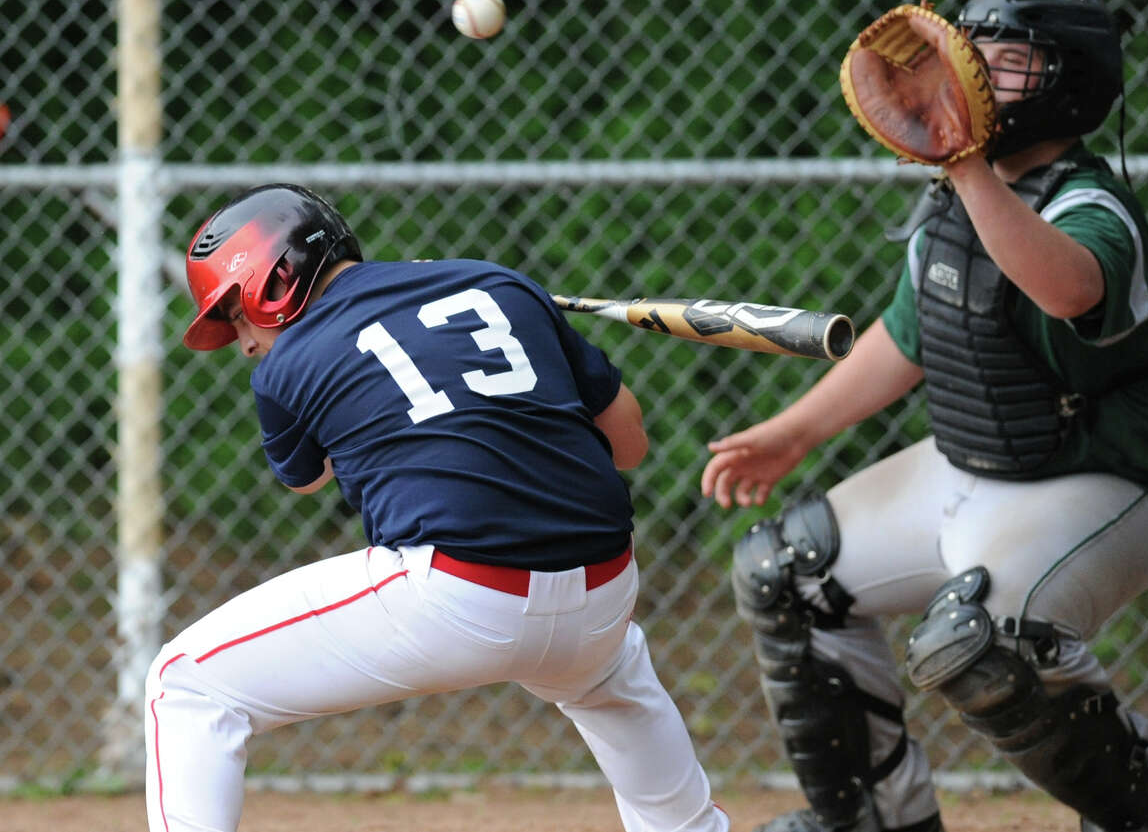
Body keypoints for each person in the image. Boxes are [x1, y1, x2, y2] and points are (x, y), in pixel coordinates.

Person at [701, 0, 1148, 832]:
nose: (972, 75)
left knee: (986, 642)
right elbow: (908, 336)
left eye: (1007, 63)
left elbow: (1067, 287)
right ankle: (879, 821)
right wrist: (791, 434)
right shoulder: (955, 197)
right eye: (972, 54)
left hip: (1111, 480)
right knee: (786, 571)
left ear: (1069, 83)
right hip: (974, 463)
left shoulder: (1091, 203)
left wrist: (967, 169)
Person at [147, 183, 730, 832]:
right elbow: (629, 444)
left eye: (235, 313)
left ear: (276, 276)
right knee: (610, 677)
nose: (243, 342)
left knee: (186, 681)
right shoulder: (502, 286)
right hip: (603, 590)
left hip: (457, 593)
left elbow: (306, 480)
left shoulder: (284, 368)